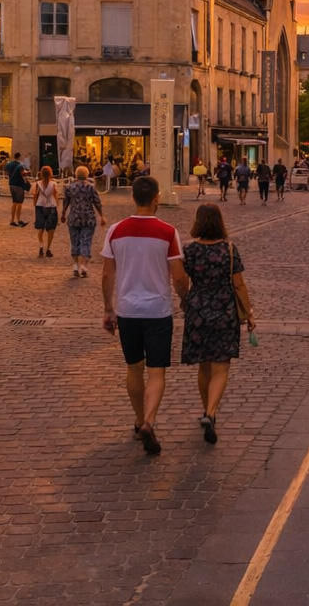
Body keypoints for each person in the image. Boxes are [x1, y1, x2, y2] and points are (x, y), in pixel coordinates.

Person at [100, 176, 184, 456]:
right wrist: (184, 297)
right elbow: (178, 275)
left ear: (133, 197)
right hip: (158, 310)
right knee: (157, 371)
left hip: (127, 310)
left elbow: (107, 273)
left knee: (134, 367)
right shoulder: (168, 232)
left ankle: (138, 420)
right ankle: (149, 420)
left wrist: (108, 309)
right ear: (157, 198)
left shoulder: (115, 231)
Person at [174, 203, 256, 446]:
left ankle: (205, 410)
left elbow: (181, 279)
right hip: (224, 308)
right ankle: (211, 411)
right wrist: (249, 313)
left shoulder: (191, 251)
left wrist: (185, 299)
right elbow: (239, 284)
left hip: (197, 308)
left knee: (204, 365)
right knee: (221, 366)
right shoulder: (229, 249)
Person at [60, 165, 106, 278]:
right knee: (86, 241)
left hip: (74, 217)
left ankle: (75, 265)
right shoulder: (90, 188)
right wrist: (101, 216)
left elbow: (66, 202)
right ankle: (84, 265)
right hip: (88, 218)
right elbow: (97, 202)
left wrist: (63, 214)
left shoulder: (69, 188)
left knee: (74, 241)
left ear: (76, 175)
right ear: (87, 175)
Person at [30, 166, 60, 258]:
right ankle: (48, 249)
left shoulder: (36, 184)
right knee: (51, 230)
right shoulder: (54, 184)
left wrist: (35, 204)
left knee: (40, 228)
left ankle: (41, 245)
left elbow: (34, 195)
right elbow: (56, 196)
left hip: (40, 206)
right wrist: (57, 206)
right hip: (51, 207)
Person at [4, 153, 30, 226]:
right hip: (19, 185)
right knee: (19, 203)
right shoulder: (20, 165)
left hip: (11, 184)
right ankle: (19, 220)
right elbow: (23, 173)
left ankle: (12, 220)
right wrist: (28, 172)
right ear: (19, 157)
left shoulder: (9, 164)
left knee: (14, 202)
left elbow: (6, 173)